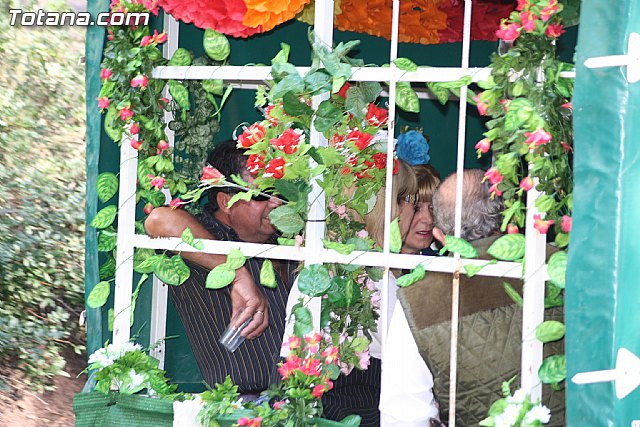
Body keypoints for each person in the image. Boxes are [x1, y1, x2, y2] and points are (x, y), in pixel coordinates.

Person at [380, 169, 565, 426]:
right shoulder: (557, 266)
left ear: (439, 235)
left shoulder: (419, 299)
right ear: (507, 217)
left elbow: (403, 415)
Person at [145, 139, 296, 393]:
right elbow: (159, 220)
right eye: (261, 194)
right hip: (239, 403)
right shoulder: (209, 237)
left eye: (279, 193)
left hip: (304, 397)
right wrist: (237, 275)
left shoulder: (288, 238)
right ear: (226, 202)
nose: (276, 203)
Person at [401, 164, 440, 256]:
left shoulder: (444, 264)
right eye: (416, 208)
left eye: (433, 208)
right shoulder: (370, 260)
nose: (429, 220)